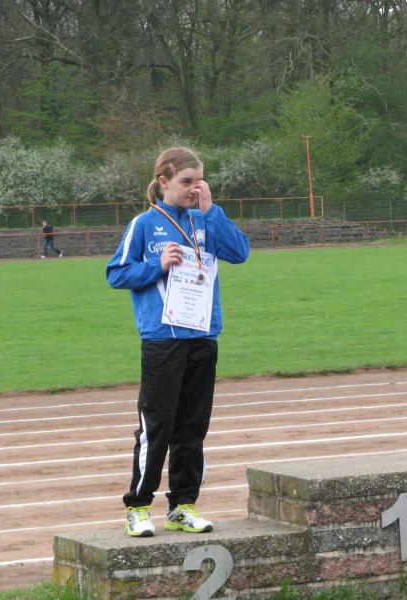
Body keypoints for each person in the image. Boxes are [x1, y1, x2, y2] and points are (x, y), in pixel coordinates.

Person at [106, 146, 250, 537]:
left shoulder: (206, 220)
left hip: (202, 335)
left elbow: (240, 253)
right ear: (164, 181)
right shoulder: (144, 224)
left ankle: (182, 506)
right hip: (163, 338)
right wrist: (156, 265)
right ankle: (138, 507)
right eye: (187, 182)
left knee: (192, 427)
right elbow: (116, 274)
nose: (194, 189)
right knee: (157, 426)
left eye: (200, 182)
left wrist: (212, 210)